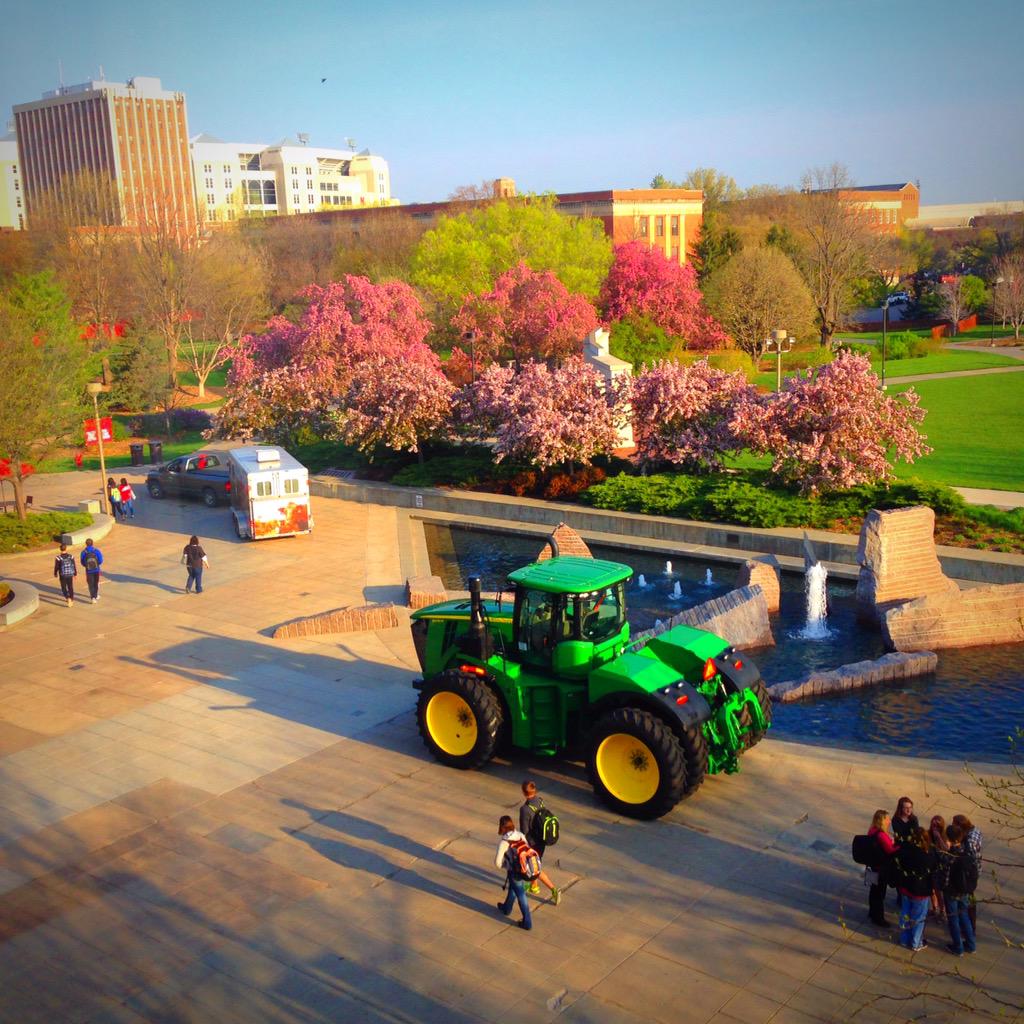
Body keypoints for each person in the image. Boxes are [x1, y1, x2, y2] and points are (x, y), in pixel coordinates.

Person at [894, 826, 936, 952]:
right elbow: (933, 870)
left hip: (906, 887)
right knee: (918, 917)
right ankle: (916, 942)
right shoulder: (928, 855)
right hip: (920, 891)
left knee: (905, 913)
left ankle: (904, 938)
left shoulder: (906, 850)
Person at [519, 781, 561, 904]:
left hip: (532, 843)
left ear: (523, 792)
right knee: (536, 862)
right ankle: (534, 886)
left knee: (536, 868)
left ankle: (554, 890)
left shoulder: (525, 809)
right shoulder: (540, 800)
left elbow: (524, 830)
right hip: (542, 840)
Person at [942, 824, 977, 956]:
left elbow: (946, 876)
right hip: (964, 890)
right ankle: (971, 945)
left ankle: (958, 947)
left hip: (952, 892)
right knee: (964, 916)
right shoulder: (967, 851)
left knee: (953, 919)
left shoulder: (951, 856)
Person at [494, 815, 532, 930]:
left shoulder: (504, 842)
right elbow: (527, 848)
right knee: (513, 888)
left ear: (502, 827)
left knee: (520, 894)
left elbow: (497, 863)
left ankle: (527, 922)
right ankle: (506, 908)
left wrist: (506, 865)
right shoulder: (520, 835)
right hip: (525, 869)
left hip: (514, 871)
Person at [866, 809, 899, 928]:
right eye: (887, 819)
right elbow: (890, 850)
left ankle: (872, 913)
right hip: (881, 868)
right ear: (882, 820)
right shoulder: (881, 835)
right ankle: (879, 918)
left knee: (873, 891)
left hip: (872, 866)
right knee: (880, 894)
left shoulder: (872, 830)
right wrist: (898, 845)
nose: (889, 821)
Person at [952, 814, 983, 929]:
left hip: (969, 873)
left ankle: (970, 925)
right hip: (976, 869)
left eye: (954, 824)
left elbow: (970, 858)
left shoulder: (969, 840)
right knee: (970, 896)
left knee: (968, 898)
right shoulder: (976, 830)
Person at [928, 815, 949, 919]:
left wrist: (939, 838)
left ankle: (942, 911)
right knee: (931, 889)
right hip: (930, 865)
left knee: (938, 890)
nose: (935, 828)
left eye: (937, 826)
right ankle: (934, 907)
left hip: (940, 867)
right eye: (933, 825)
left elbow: (947, 849)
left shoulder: (944, 837)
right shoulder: (928, 834)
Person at [80, 539, 104, 603]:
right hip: (96, 570)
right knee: (96, 583)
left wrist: (86, 566)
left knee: (90, 584)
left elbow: (82, 562)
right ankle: (96, 595)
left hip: (88, 571)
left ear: (86, 544)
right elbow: (101, 560)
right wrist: (97, 564)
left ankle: (93, 598)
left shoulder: (83, 552)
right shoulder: (96, 551)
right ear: (92, 543)